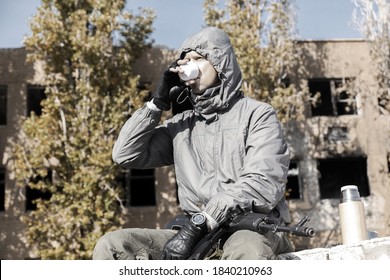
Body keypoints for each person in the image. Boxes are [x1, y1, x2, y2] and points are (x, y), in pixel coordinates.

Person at [93, 27, 294, 260]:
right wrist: (156, 103)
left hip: (249, 227)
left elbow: (263, 181)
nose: (190, 65)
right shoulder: (181, 126)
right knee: (114, 245)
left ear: (221, 63)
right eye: (185, 60)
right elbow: (125, 154)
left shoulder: (258, 114)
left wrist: (205, 219)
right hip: (194, 235)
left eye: (198, 59)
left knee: (247, 250)